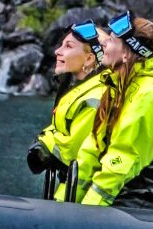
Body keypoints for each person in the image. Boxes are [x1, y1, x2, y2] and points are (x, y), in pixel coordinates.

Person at [77, 12, 153, 210]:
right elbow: (92, 149)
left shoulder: (150, 95)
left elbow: (121, 161)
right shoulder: (120, 89)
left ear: (126, 54)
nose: (105, 43)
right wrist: (64, 202)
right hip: (138, 191)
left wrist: (86, 212)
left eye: (113, 40)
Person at [28, 19, 108, 200]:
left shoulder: (97, 96)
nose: (58, 51)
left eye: (68, 46)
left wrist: (43, 145)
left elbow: (73, 152)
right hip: (75, 187)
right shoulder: (80, 89)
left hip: (83, 193)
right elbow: (60, 129)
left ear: (89, 58)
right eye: (61, 45)